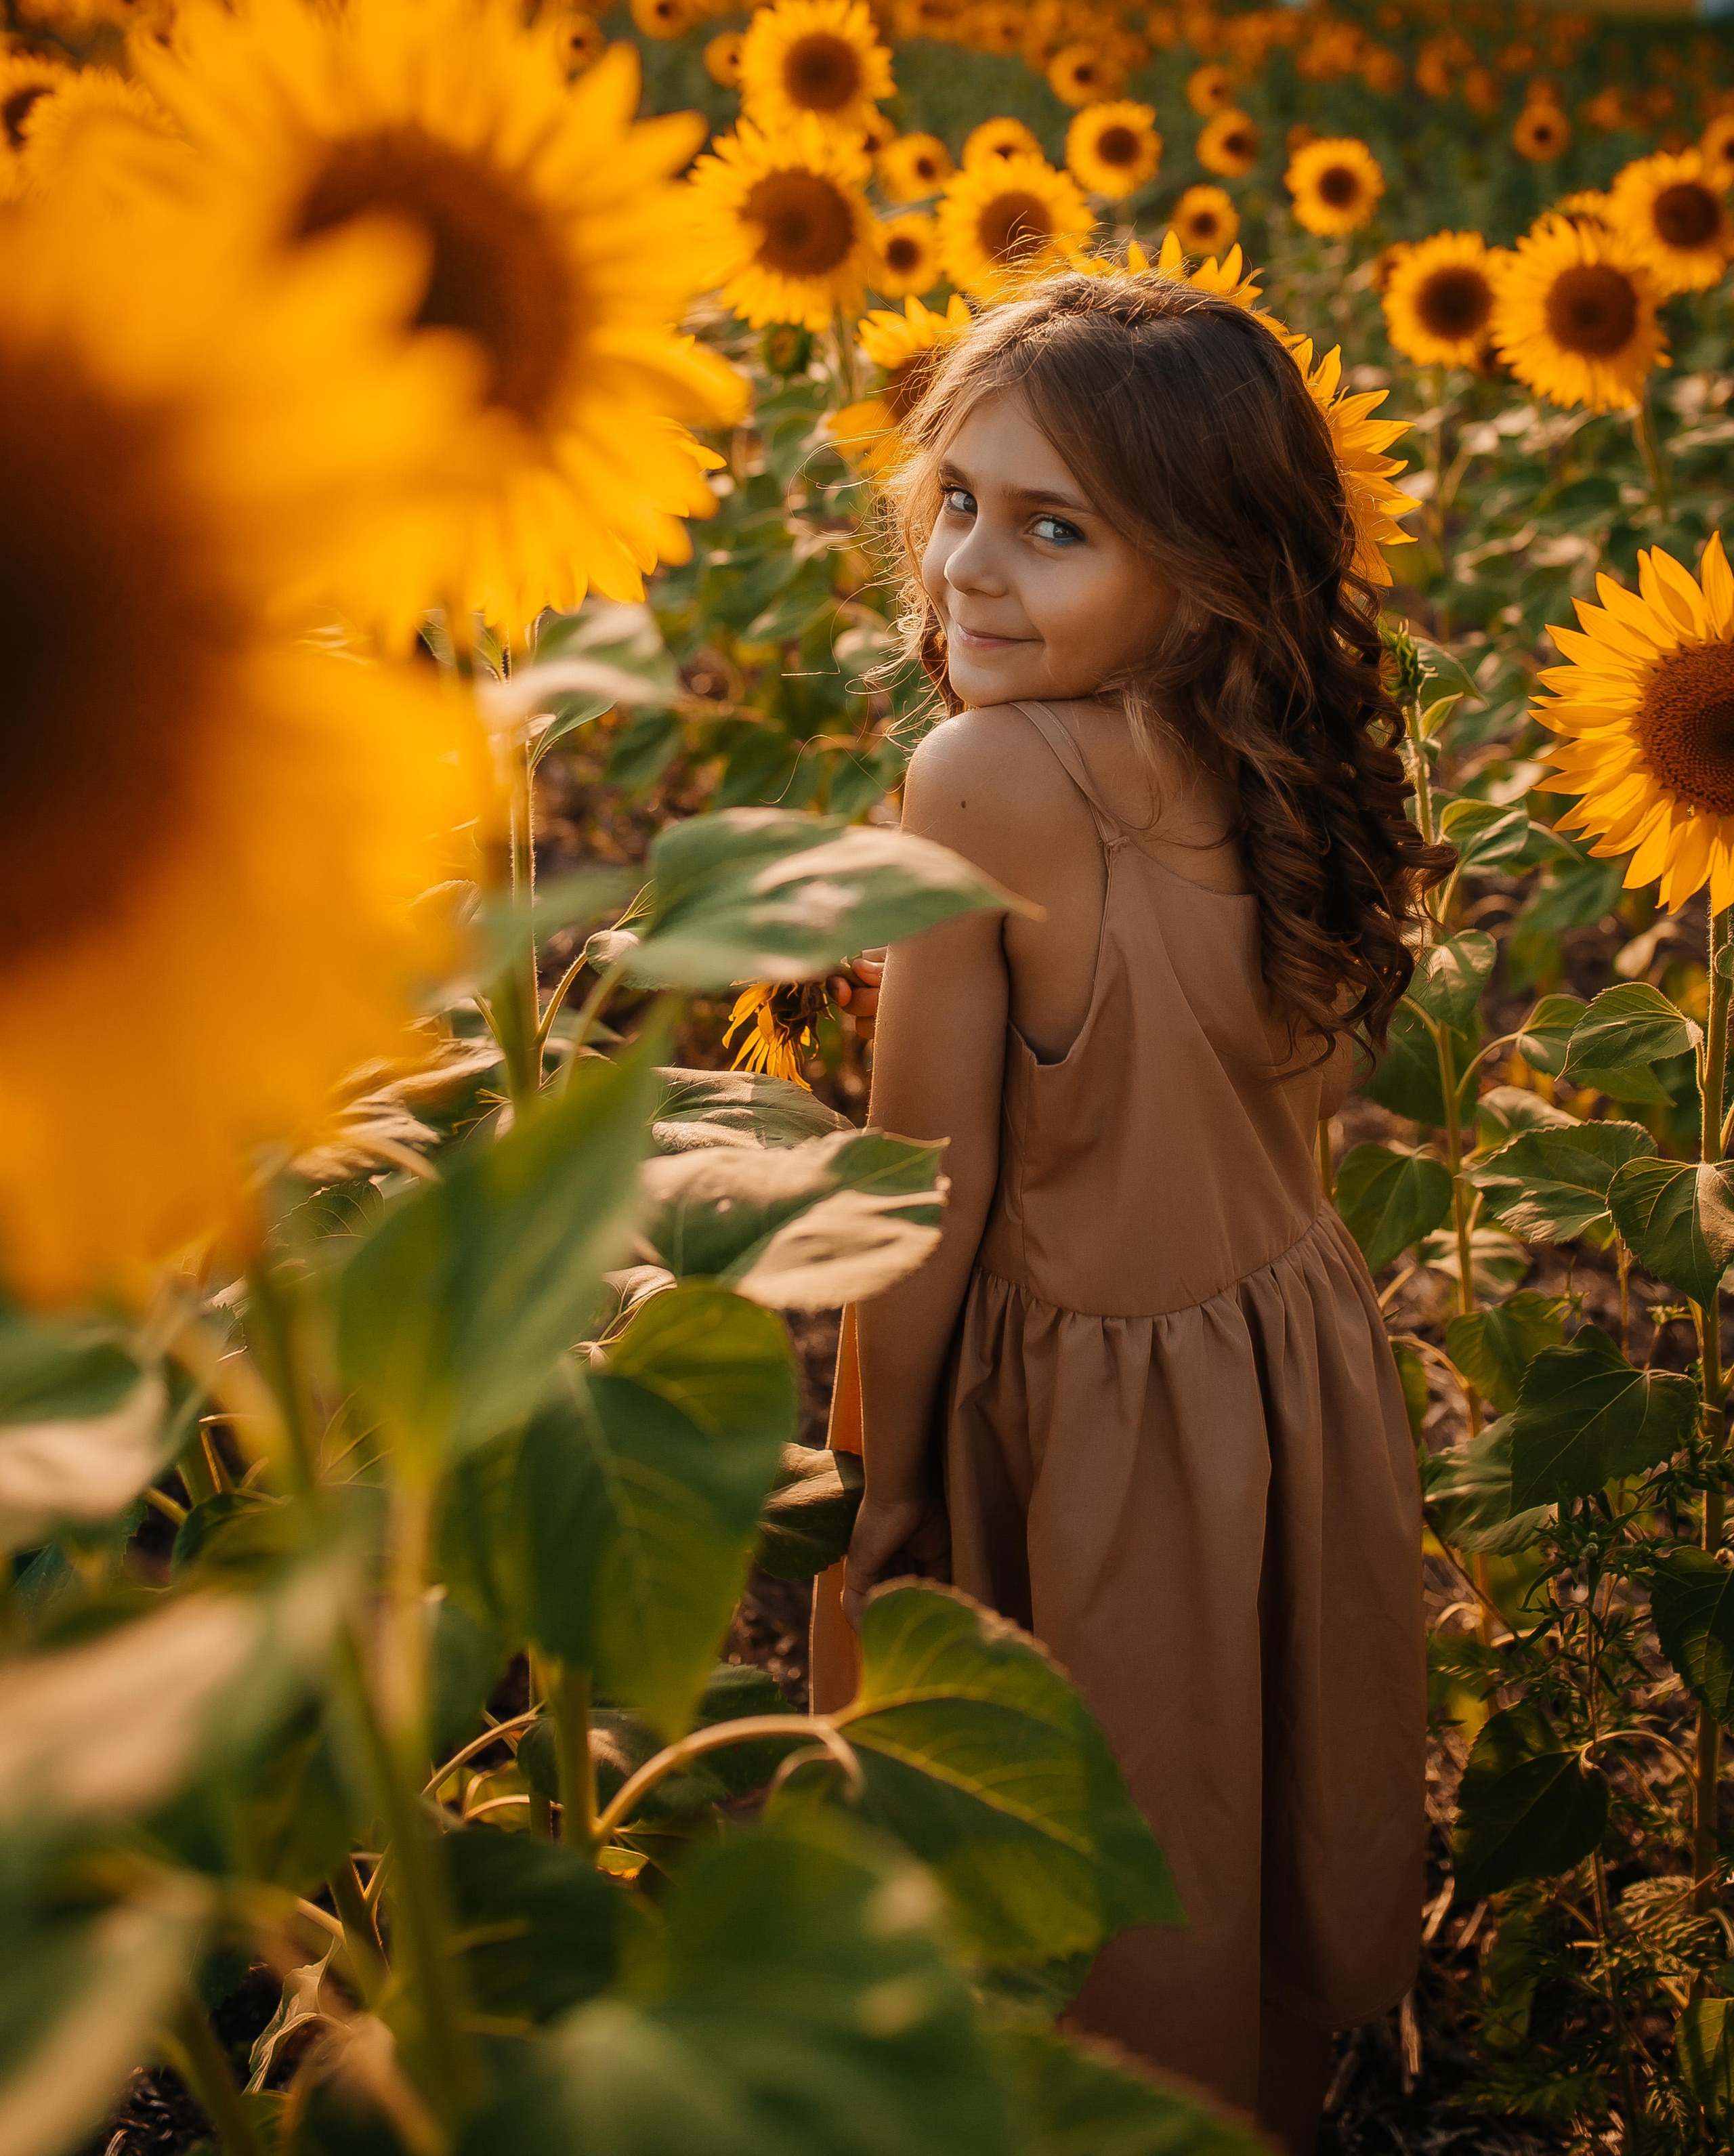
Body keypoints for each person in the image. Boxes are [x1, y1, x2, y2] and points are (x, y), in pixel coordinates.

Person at [807, 268, 1450, 2153]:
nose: (967, 569)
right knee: (1238, 1812)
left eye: (1054, 528)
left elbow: (924, 1189)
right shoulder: (1286, 758)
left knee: (1089, 1864)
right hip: (1285, 1364)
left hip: (1079, 1414)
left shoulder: (987, 775)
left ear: (1211, 569)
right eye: (958, 501)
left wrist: (883, 1482)